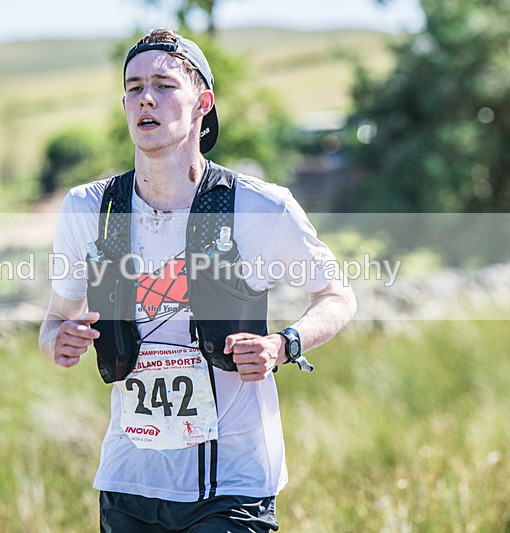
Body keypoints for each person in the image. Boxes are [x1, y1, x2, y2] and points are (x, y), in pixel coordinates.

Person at [39, 28, 356, 532]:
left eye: (164, 85)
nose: (147, 97)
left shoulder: (259, 205)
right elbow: (56, 320)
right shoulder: (90, 208)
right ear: (124, 105)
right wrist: (60, 340)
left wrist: (284, 344)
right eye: (134, 86)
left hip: (234, 481)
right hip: (128, 481)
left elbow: (337, 296)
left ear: (202, 102)